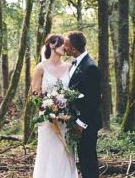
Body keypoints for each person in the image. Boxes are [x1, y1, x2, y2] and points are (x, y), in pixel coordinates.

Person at [30, 34, 78, 178]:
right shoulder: (40, 68)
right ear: (52, 45)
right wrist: (47, 109)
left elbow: (73, 93)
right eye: (63, 44)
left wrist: (66, 111)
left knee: (65, 152)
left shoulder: (70, 67)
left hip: (66, 118)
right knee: (48, 152)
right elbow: (35, 95)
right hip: (47, 120)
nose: (66, 47)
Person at [64, 31, 101, 178]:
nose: (64, 48)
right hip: (77, 120)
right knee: (84, 159)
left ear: (73, 49)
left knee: (89, 161)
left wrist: (80, 123)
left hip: (87, 123)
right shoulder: (75, 64)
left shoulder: (90, 67)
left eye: (66, 45)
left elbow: (94, 100)